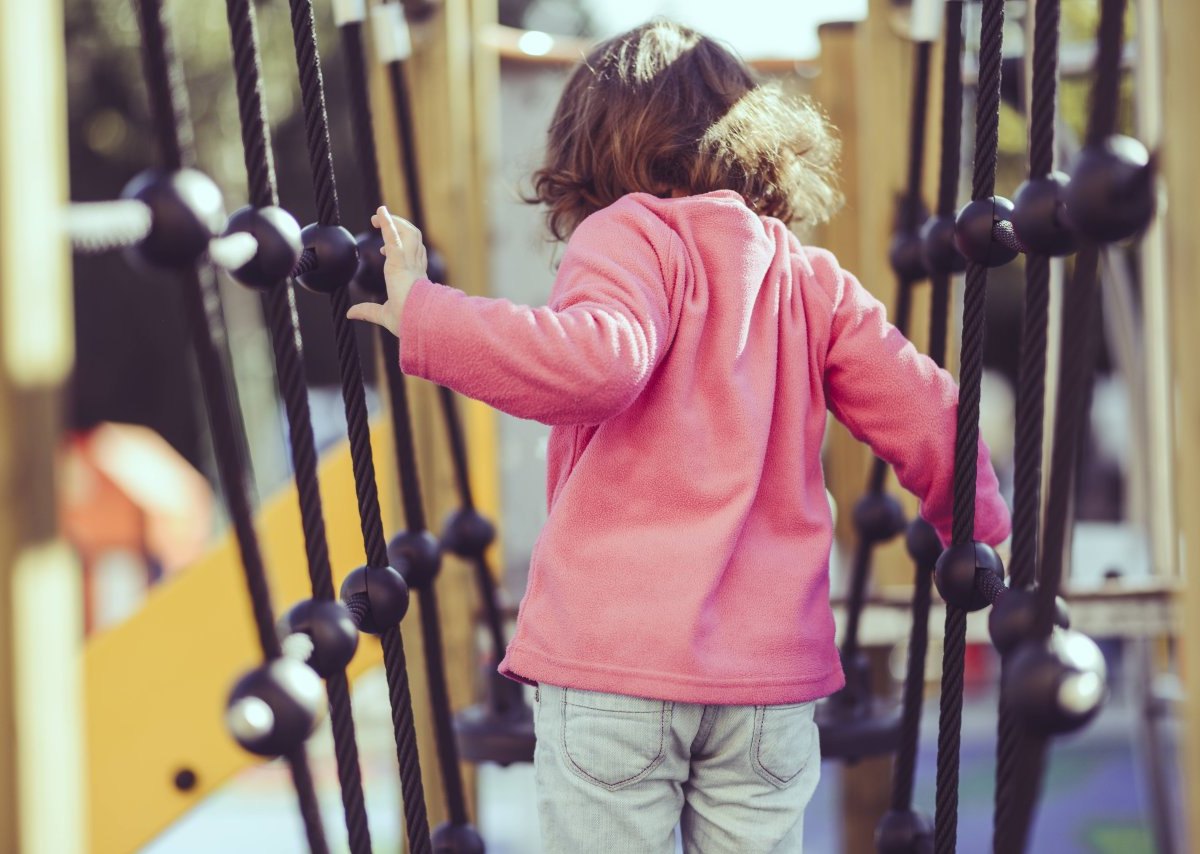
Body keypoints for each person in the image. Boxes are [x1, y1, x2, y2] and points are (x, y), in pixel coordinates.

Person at [348, 19, 1010, 854]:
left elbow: (594, 364)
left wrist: (427, 315)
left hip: (616, 666)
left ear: (592, 147)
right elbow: (926, 411)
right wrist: (976, 529)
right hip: (768, 686)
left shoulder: (625, 235)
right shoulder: (809, 279)